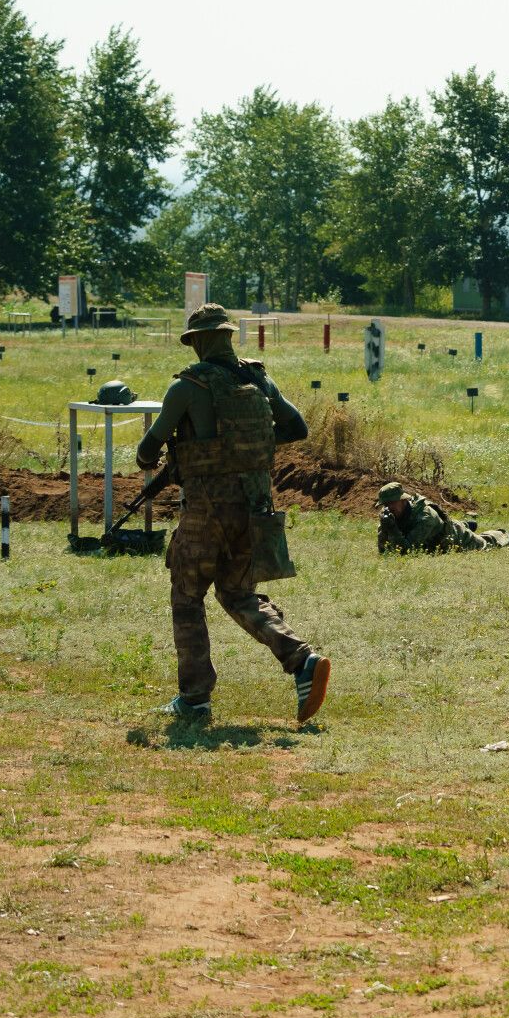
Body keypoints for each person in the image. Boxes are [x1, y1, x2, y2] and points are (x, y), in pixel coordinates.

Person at [136, 303, 329, 725]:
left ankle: (194, 699)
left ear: (198, 341)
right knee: (238, 594)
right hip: (256, 507)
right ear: (227, 336)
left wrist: (192, 453)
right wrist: (247, 445)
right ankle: (302, 661)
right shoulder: (258, 379)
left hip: (207, 510)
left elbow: (146, 453)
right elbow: (297, 428)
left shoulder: (186, 387)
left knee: (187, 596)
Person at [376, 482, 509, 553]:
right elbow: (383, 550)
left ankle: (505, 535)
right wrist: (385, 527)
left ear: (403, 500)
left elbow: (406, 551)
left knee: (485, 544)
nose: (388, 507)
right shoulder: (390, 515)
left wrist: (392, 529)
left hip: (454, 538)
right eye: (385, 504)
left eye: (391, 503)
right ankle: (465, 524)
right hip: (438, 530)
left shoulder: (425, 517)